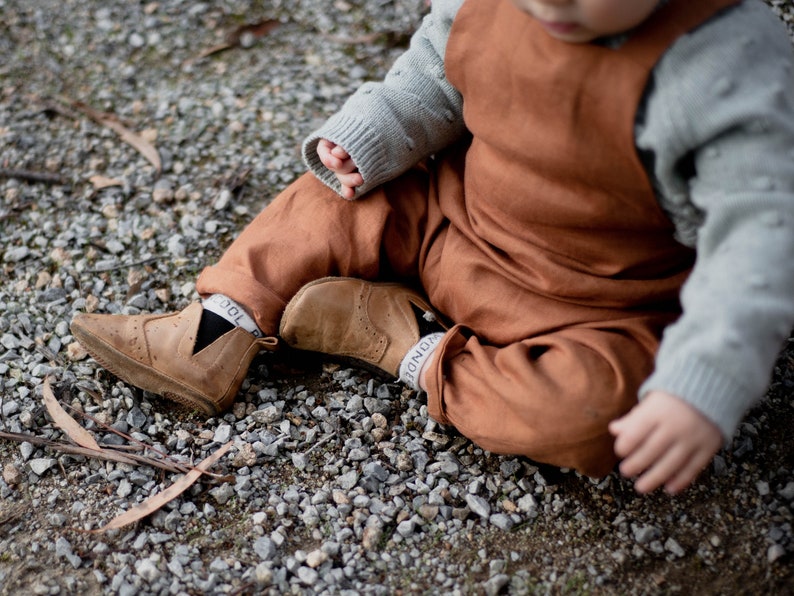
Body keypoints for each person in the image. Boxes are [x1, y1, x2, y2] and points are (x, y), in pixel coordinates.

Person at [71, 0, 794, 495]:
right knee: (331, 200)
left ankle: (407, 344)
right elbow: (434, 76)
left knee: (601, 414)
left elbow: (760, 241)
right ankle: (211, 332)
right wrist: (370, 137)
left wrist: (702, 383)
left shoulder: (723, 65)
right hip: (454, 218)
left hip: (595, 306)